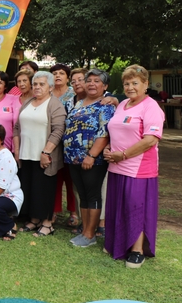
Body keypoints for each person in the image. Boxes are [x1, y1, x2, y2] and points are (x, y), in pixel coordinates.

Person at [103, 64, 164, 268]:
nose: (130, 87)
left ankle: (137, 250)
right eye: (126, 83)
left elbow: (151, 139)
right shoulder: (122, 105)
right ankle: (118, 243)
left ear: (145, 84)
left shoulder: (151, 106)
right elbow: (116, 130)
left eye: (135, 83)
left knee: (135, 208)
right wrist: (110, 148)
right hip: (117, 165)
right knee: (118, 206)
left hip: (139, 168)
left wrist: (124, 154)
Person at [63, 69, 115, 248]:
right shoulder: (77, 104)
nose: (92, 84)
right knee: (83, 195)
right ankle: (85, 230)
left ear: (105, 86)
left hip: (92, 159)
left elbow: (104, 133)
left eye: (97, 81)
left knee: (92, 195)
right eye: (89, 80)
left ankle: (90, 234)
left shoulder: (106, 105)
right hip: (73, 158)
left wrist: (92, 155)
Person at [13, 71, 66, 237]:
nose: (37, 87)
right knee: (30, 188)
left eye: (41, 84)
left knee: (44, 190)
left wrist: (46, 152)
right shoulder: (28, 102)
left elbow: (58, 130)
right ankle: (34, 219)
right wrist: (16, 151)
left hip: (44, 157)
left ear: (50, 87)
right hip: (25, 154)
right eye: (35, 84)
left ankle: (47, 223)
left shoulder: (54, 104)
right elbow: (16, 128)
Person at [49, 63, 78, 228]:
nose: (57, 76)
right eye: (54, 73)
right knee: (55, 177)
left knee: (71, 178)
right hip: (52, 142)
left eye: (61, 73)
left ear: (68, 77)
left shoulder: (74, 94)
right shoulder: (47, 93)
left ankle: (73, 211)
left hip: (70, 142)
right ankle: (55, 210)